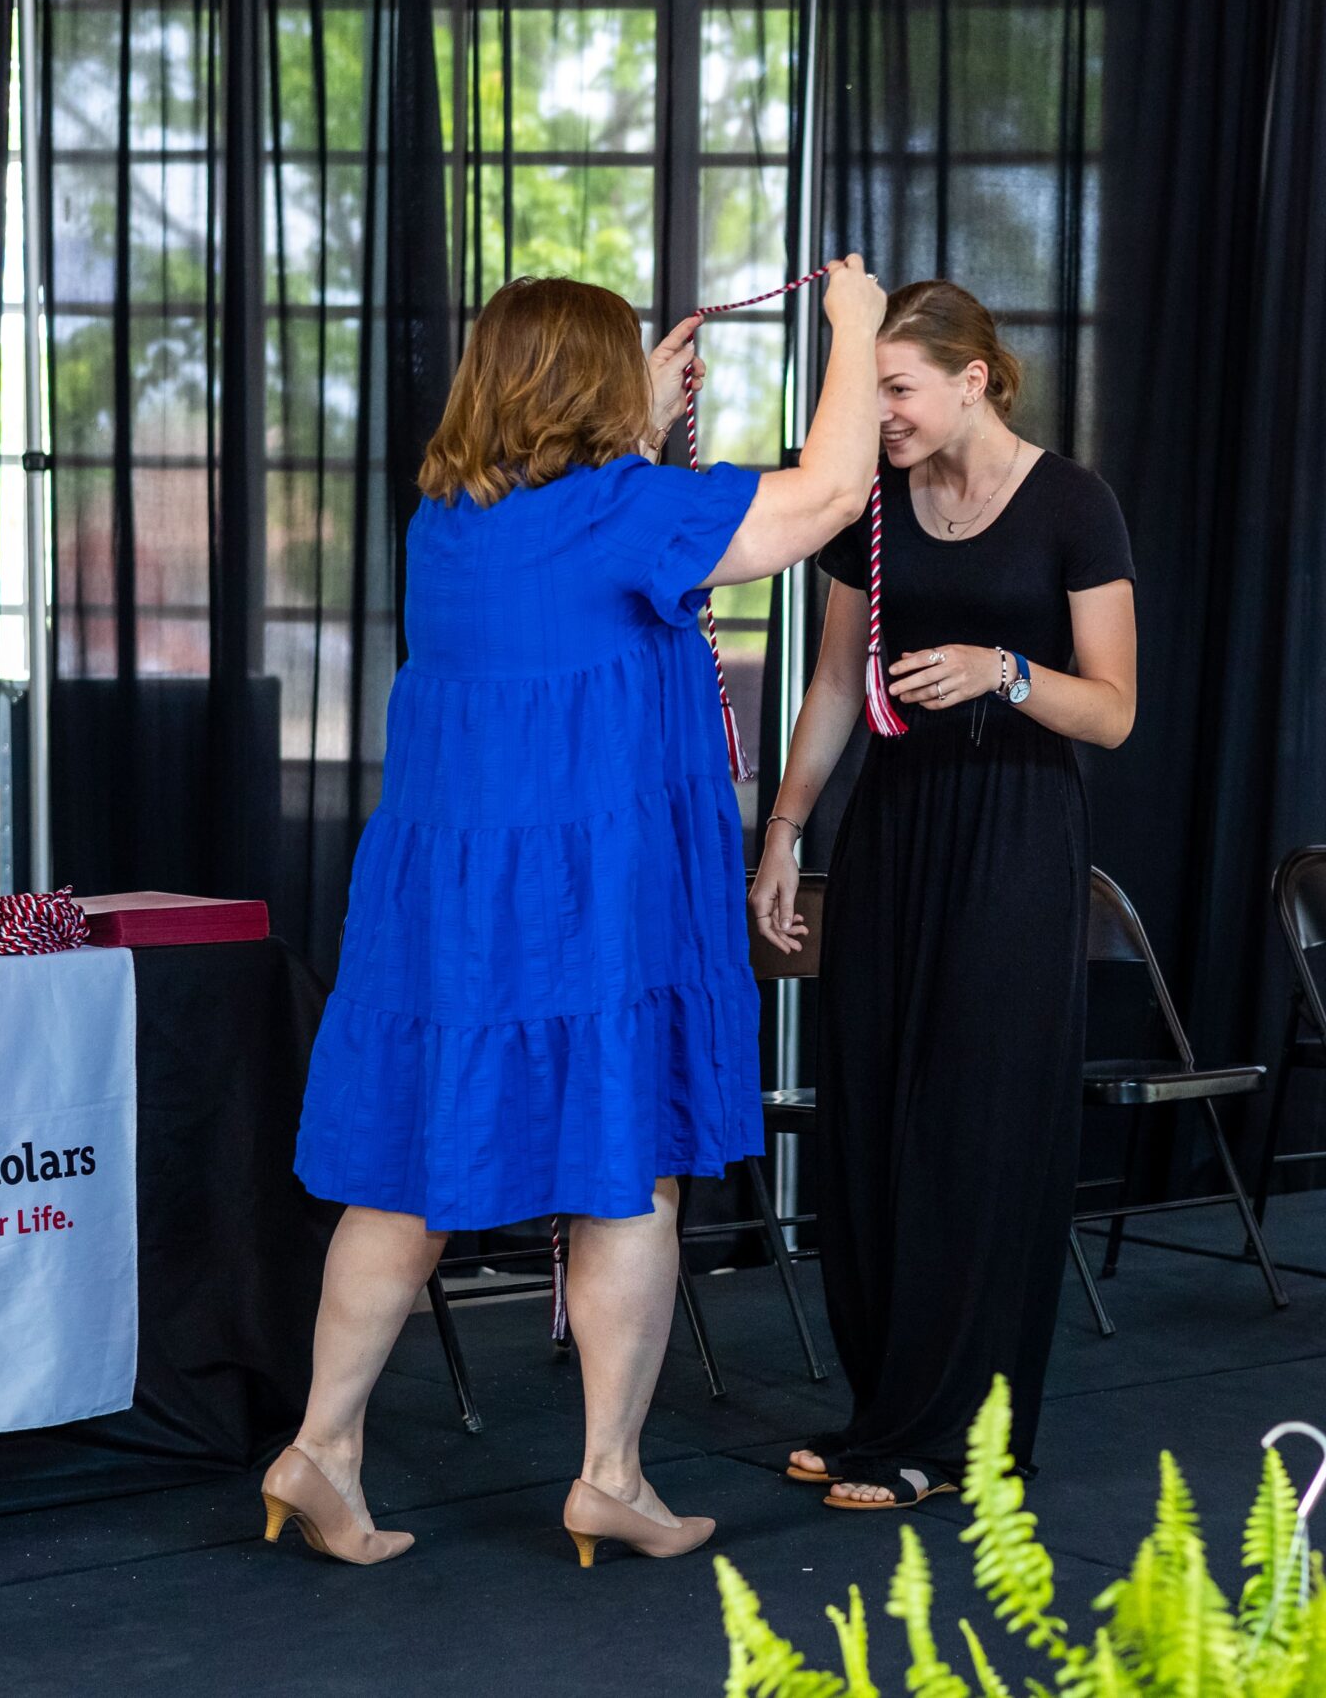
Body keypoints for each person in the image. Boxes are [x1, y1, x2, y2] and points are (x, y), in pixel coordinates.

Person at [262, 258, 887, 1566]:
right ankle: (609, 1476)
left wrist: (635, 412)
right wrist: (855, 329)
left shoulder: (447, 522)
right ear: (596, 390)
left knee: (408, 1172)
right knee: (627, 1167)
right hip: (594, 907)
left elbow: (572, 544)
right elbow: (832, 494)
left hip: (450, 911)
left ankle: (319, 1447)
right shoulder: (628, 514)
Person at [751, 280, 1138, 1509]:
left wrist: (1002, 670)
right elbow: (831, 686)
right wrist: (784, 832)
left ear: (974, 380)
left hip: (1015, 839)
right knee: (873, 1123)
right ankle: (886, 1414)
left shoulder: (1072, 505)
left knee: (974, 1133)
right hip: (894, 830)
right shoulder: (871, 499)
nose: (880, 413)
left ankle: (958, 1438)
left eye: (897, 388)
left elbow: (1113, 712)